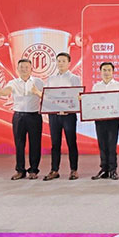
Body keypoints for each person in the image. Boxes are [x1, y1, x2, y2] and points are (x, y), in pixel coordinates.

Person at [0, 58, 45, 180]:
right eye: (21, 67)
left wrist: (36, 91)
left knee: (35, 144)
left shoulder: (38, 82)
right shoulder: (13, 82)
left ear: (31, 69)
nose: (24, 69)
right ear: (17, 69)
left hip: (34, 116)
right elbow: (7, 90)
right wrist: (1, 92)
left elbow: (46, 96)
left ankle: (33, 170)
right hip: (19, 117)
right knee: (19, 144)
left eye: (26, 67)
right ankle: (20, 170)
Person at [44, 53, 81, 181]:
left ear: (69, 63)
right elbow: (48, 96)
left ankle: (74, 170)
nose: (60, 63)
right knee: (55, 143)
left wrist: (68, 108)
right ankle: (54, 170)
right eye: (58, 61)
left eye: (63, 61)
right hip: (54, 115)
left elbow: (77, 96)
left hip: (68, 115)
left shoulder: (74, 78)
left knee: (71, 142)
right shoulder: (51, 79)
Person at [90, 63, 119, 180]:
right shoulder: (96, 87)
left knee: (112, 144)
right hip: (100, 119)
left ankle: (113, 170)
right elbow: (92, 102)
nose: (106, 72)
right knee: (102, 144)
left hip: (113, 120)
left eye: (109, 70)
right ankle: (104, 169)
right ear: (100, 72)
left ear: (113, 72)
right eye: (104, 70)